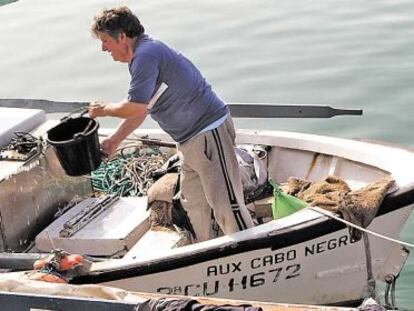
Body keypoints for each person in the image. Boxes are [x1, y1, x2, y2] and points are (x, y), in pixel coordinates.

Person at [88, 6, 253, 242]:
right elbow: (142, 109)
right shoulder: (141, 57)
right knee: (192, 203)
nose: (104, 48)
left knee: (227, 206)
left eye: (105, 41)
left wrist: (104, 109)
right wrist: (115, 140)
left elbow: (134, 107)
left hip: (208, 133)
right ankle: (205, 252)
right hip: (188, 142)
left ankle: (246, 253)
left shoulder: (146, 55)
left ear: (122, 36)